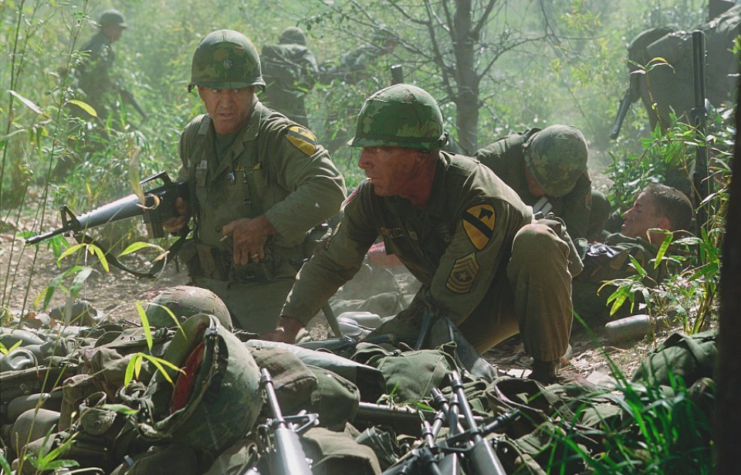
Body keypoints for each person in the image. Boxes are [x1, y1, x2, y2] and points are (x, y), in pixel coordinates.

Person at [264, 84, 581, 383]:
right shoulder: (374, 196)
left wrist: (371, 347)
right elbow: (332, 263)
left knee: (536, 240)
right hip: (454, 299)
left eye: (381, 149)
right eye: (364, 149)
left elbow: (445, 302)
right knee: (400, 365)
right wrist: (286, 326)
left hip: (508, 296)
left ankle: (547, 369)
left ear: (421, 154)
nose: (363, 162)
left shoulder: (478, 197)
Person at [163, 29, 346, 335]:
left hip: (269, 291)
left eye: (236, 90)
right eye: (215, 90)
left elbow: (329, 189)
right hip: (207, 288)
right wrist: (177, 214)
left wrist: (263, 225)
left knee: (265, 367)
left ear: (253, 89)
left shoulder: (277, 136)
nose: (225, 102)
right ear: (200, 91)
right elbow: (189, 188)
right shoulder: (195, 136)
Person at [573, 184, 694, 322]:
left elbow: (571, 257)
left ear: (660, 225)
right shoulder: (642, 254)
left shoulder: (637, 257)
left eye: (638, 210)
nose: (627, 214)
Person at [474, 125, 610, 241]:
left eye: (551, 189)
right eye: (536, 181)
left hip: (543, 234)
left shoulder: (574, 169)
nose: (540, 191)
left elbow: (576, 228)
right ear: (527, 158)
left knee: (597, 203)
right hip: (496, 231)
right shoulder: (490, 162)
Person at [259, 27, 319, 128]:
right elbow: (313, 74)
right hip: (293, 101)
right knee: (303, 137)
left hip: (268, 101)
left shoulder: (270, 52)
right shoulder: (303, 51)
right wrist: (300, 91)